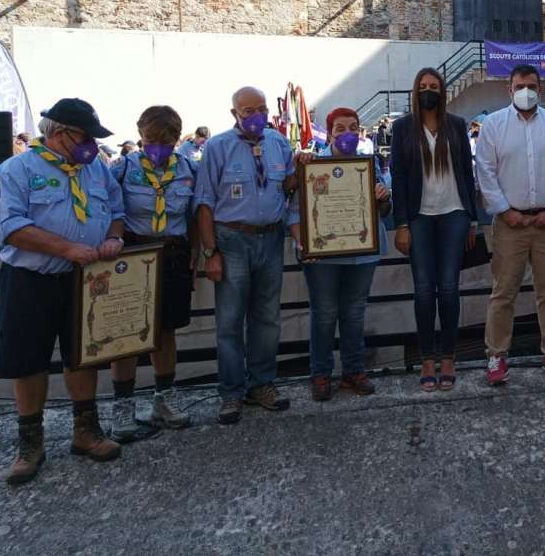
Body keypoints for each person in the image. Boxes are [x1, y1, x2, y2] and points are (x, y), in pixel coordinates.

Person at [0, 98, 125, 484]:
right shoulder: (17, 169)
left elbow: (116, 209)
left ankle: (86, 431)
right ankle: (30, 443)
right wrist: (66, 248)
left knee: (84, 355)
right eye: (84, 138)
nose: (91, 147)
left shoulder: (95, 167)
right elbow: (6, 227)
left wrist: (114, 236)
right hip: (31, 280)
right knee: (28, 361)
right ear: (59, 133)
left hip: (84, 280)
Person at [194, 86, 296, 425]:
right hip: (232, 240)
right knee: (230, 320)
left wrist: (306, 165)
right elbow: (205, 203)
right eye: (248, 110)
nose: (256, 115)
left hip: (270, 238)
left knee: (267, 319)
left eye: (261, 108)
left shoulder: (279, 142)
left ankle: (262, 385)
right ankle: (232, 393)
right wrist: (210, 253)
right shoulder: (217, 146)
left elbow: (290, 185)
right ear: (234, 114)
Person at [474, 64, 545, 385]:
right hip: (509, 223)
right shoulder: (493, 125)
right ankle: (496, 356)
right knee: (503, 292)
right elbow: (485, 172)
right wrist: (504, 210)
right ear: (509, 89)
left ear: (540, 87)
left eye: (531, 85)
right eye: (519, 86)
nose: (525, 91)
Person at [107, 106, 196, 441]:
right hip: (133, 253)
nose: (159, 146)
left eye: (167, 140)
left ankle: (163, 398)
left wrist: (198, 253)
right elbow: (109, 210)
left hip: (173, 253)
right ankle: (123, 405)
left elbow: (194, 213)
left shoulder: (188, 169)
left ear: (176, 138)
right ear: (140, 136)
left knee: (166, 330)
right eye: (151, 140)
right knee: (128, 332)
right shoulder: (121, 169)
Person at [292, 108, 391, 401]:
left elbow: (384, 209)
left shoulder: (369, 164)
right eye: (340, 129)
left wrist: (382, 195)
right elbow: (294, 211)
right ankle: (321, 374)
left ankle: (353, 371)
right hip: (324, 255)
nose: (347, 134)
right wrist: (302, 242)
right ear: (330, 131)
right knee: (323, 314)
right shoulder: (312, 165)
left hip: (363, 254)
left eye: (353, 128)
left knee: (354, 312)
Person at [390, 68, 479, 392]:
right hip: (419, 217)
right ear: (416, 91)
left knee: (450, 288)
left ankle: (449, 358)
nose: (429, 91)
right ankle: (428, 357)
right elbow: (398, 178)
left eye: (434, 86)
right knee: (424, 290)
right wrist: (401, 224)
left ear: (442, 91)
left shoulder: (456, 124)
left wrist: (472, 218)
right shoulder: (402, 128)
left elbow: (467, 175)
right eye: (424, 86)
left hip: (454, 213)